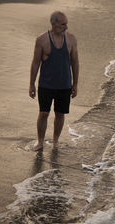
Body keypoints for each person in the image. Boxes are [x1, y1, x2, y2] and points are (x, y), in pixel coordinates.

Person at [29, 11, 79, 151]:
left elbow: (75, 62)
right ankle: (40, 142)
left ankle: (55, 141)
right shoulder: (42, 40)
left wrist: (75, 84)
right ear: (54, 24)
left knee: (60, 114)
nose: (66, 27)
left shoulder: (71, 40)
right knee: (44, 113)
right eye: (63, 24)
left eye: (66, 24)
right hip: (46, 84)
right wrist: (31, 83)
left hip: (64, 85)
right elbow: (35, 63)